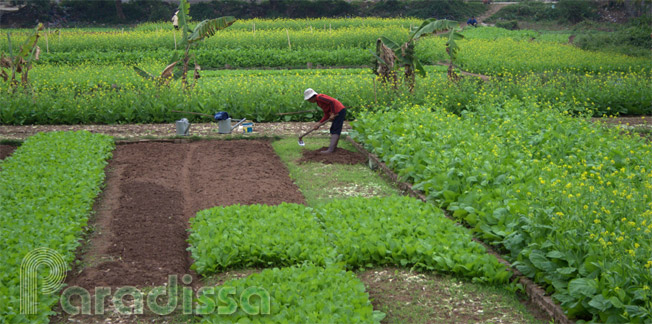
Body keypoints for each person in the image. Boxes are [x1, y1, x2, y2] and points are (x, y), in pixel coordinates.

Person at [304, 88, 346, 154]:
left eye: (309, 100)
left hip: (339, 111)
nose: (309, 101)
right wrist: (319, 123)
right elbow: (326, 114)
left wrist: (332, 113)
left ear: (311, 97)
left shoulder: (319, 97)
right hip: (337, 112)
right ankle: (333, 148)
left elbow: (332, 101)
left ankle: (330, 150)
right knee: (333, 129)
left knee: (336, 129)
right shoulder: (318, 102)